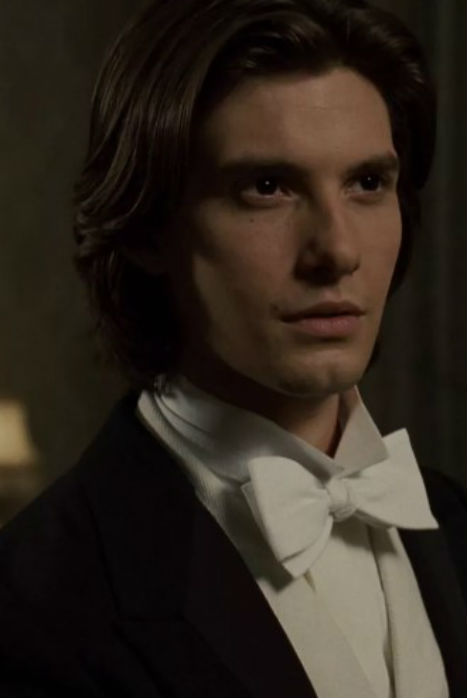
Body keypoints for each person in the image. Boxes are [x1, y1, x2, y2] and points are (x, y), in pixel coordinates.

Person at [0, 0, 465, 696]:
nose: (337, 250)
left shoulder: (452, 525)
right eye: (267, 188)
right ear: (149, 227)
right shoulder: (35, 604)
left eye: (367, 183)